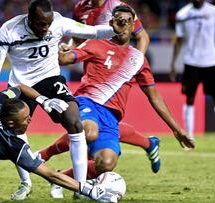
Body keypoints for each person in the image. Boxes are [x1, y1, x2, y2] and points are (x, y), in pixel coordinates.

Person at [0, 0, 127, 200]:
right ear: (29, 19)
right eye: (40, 24)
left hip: (50, 80)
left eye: (47, 24)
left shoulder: (58, 22)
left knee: (75, 121)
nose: (45, 28)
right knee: (14, 131)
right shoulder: (9, 30)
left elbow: (91, 32)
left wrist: (112, 30)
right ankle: (26, 183)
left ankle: (80, 186)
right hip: (21, 85)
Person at [46, 5, 195, 198]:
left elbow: (154, 96)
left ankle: (61, 178)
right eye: (119, 21)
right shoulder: (95, 44)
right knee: (89, 132)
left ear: (134, 26)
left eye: (128, 21)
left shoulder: (137, 59)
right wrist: (57, 46)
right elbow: (65, 59)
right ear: (111, 23)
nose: (123, 25)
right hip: (87, 102)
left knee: (107, 163)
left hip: (111, 117)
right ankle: (80, 187)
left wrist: (176, 129)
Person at [61, 0, 161, 174]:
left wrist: (131, 65)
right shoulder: (80, 8)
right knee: (92, 125)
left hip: (117, 68)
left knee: (97, 124)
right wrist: (68, 48)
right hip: (95, 60)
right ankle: (148, 143)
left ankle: (72, 173)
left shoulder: (117, 6)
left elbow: (142, 36)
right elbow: (77, 37)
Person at [170, 0, 215, 141]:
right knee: (189, 99)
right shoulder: (182, 14)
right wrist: (173, 63)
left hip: (211, 62)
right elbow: (178, 40)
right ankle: (189, 134)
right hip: (191, 62)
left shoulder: (213, 11)